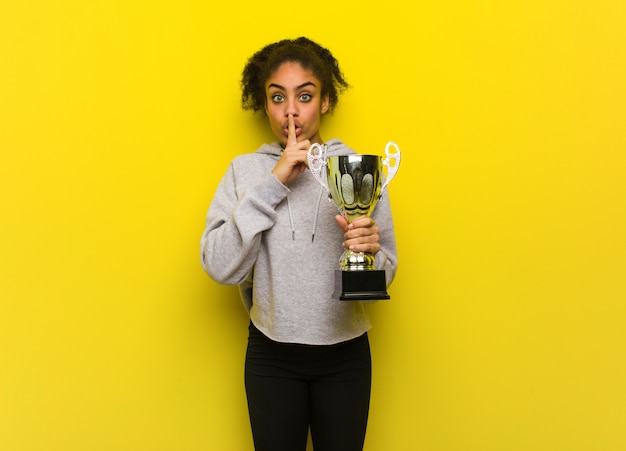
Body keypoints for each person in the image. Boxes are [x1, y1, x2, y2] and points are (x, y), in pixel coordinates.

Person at [200, 37, 398, 451]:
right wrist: (274, 182)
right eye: (277, 98)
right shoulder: (246, 171)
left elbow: (388, 269)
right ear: (265, 105)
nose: (291, 110)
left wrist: (371, 251)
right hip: (271, 356)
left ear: (324, 101)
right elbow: (219, 266)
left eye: (304, 96)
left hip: (345, 356)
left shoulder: (357, 168)